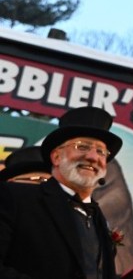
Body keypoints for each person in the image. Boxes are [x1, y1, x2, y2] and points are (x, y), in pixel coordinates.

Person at [0, 106, 122, 278]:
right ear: (56, 157)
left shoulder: (99, 220)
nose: (93, 157)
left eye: (101, 151)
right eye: (82, 146)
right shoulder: (13, 197)